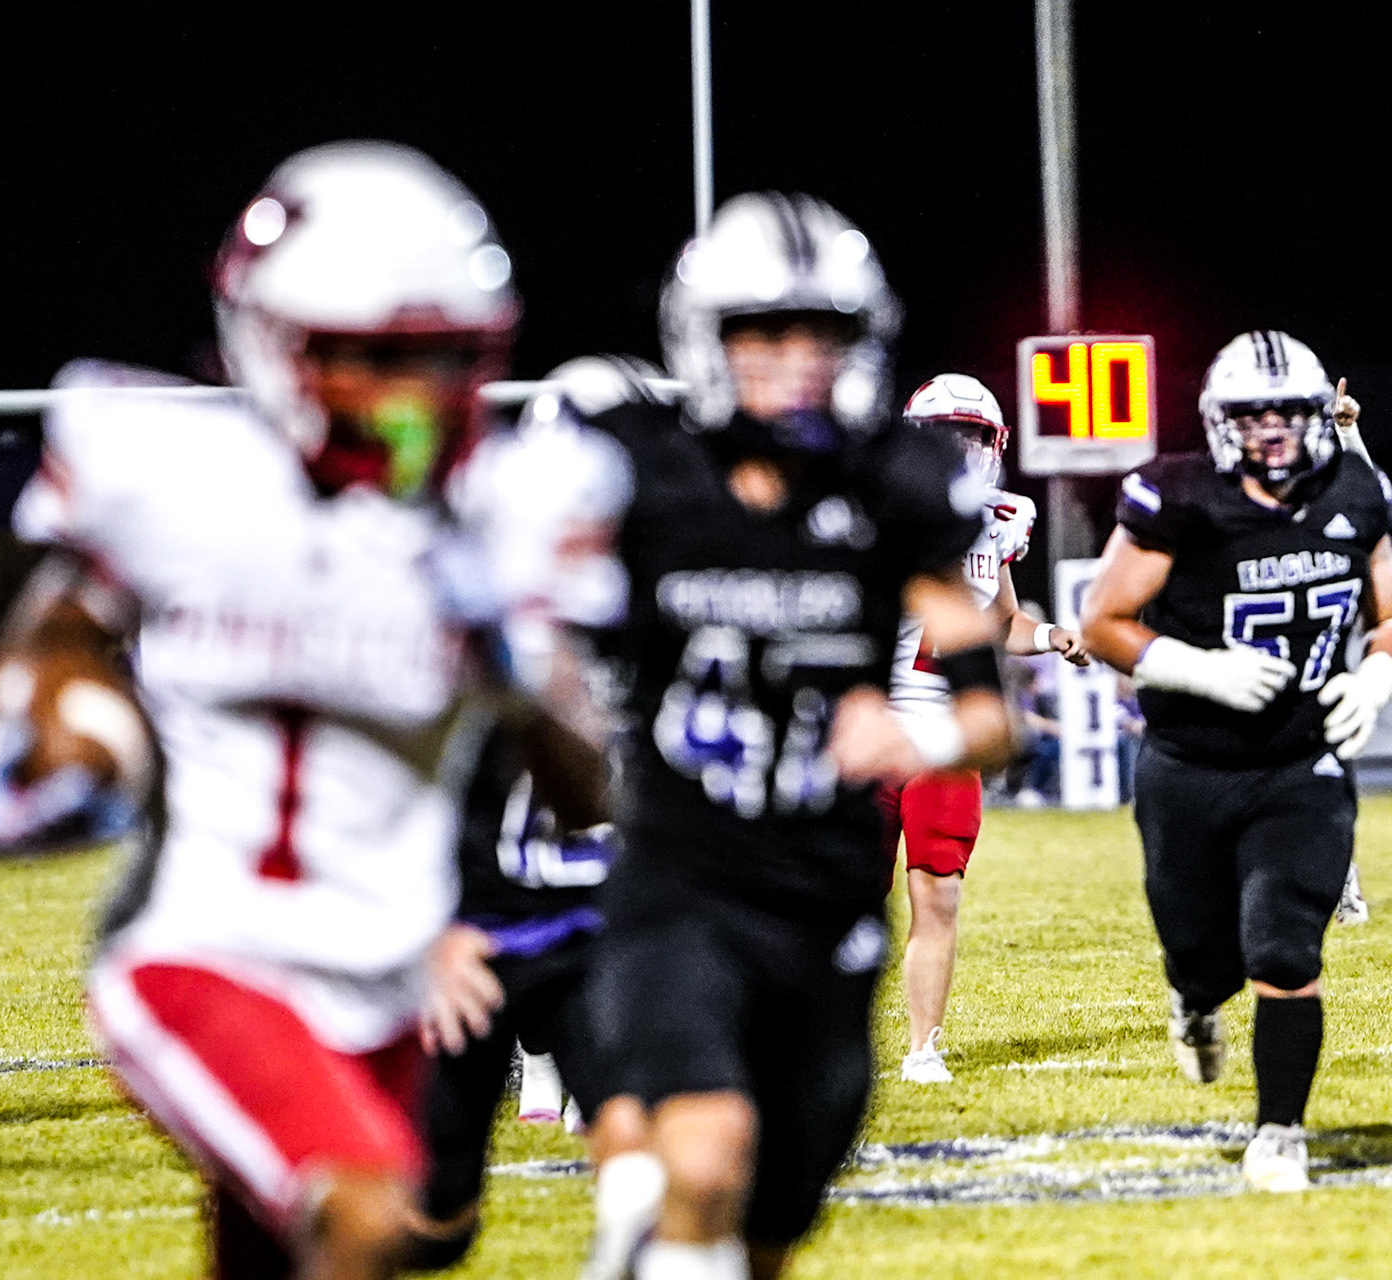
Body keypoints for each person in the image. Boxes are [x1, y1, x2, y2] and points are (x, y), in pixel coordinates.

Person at [0, 142, 583, 1280]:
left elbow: (588, 786)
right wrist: (58, 724)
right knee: (363, 1216)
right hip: (206, 950)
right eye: (379, 359)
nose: (415, 397)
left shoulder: (495, 519)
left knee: (333, 1247)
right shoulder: (184, 479)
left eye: (443, 359)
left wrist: (523, 667)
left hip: (385, 981)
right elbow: (54, 642)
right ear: (275, 348)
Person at [505, 193, 1016, 1280]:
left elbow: (988, 715)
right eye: (762, 334)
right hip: (680, 877)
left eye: (820, 335)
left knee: (773, 1224)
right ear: (705, 339)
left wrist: (919, 743)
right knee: (706, 1155)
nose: (794, 361)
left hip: (827, 895)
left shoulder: (902, 484)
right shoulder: (639, 471)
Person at [1079, 331, 1392, 1192]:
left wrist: (1376, 676)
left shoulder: (1357, 490)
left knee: (1285, 947)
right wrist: (1197, 668)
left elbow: (1389, 611)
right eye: (1252, 415)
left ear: (1317, 415)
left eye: (1288, 412)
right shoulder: (1179, 495)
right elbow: (1102, 620)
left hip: (1301, 763)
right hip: (1190, 762)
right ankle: (1193, 998)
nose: (1273, 430)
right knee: (1200, 954)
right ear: (1222, 422)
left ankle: (1280, 1133)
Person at [883, 374, 1089, 1084]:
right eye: (945, 435)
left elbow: (1002, 621)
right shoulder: (873, 507)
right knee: (836, 902)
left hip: (949, 738)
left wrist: (1052, 634)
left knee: (938, 894)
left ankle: (923, 1048)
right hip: (875, 731)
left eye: (971, 435)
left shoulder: (998, 521)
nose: (960, 448)